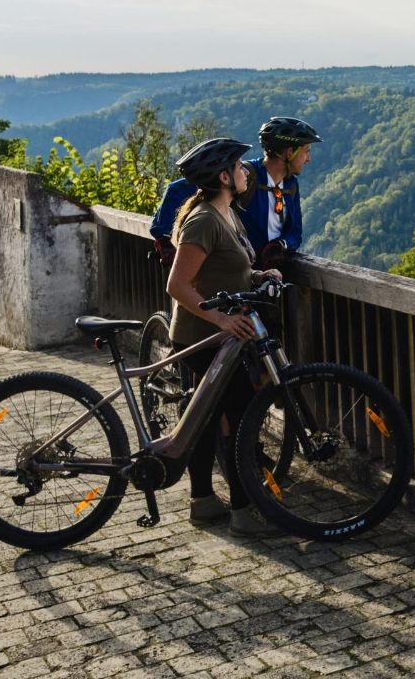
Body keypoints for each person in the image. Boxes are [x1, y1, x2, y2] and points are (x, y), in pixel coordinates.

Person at [164, 137, 282, 538]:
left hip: (220, 340)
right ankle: (245, 512)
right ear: (223, 176)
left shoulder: (225, 214)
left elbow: (225, 271)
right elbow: (178, 285)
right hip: (204, 340)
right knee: (241, 420)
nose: (246, 170)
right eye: (238, 166)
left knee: (207, 421)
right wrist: (220, 320)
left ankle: (204, 503)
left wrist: (258, 276)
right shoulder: (204, 220)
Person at [152, 117, 322, 269]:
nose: (309, 159)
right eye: (306, 151)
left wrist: (280, 245)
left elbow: (295, 232)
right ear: (290, 152)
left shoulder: (291, 186)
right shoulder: (244, 175)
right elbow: (177, 189)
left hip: (265, 279)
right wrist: (163, 237)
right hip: (235, 276)